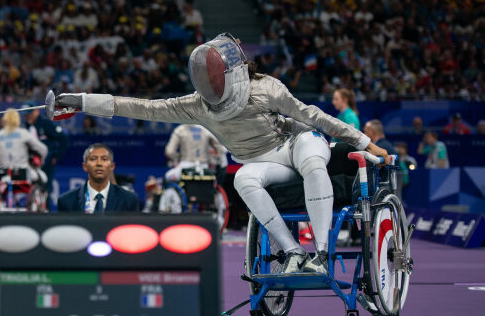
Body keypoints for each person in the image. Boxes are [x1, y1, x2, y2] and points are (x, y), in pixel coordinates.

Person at [52, 33, 390, 274]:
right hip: (262, 162)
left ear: (229, 73)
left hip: (295, 143)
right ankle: (293, 252)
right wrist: (81, 101)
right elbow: (141, 106)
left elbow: (313, 116)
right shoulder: (197, 105)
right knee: (243, 178)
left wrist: (364, 142)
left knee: (315, 162)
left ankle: (321, 252)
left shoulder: (265, 88)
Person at [57, 143, 142, 213]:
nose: (99, 163)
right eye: (93, 159)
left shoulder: (129, 200)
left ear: (112, 166)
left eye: (104, 159)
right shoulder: (66, 201)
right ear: (85, 166)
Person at [0, 109, 48, 184]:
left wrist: (1, 161)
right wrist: (39, 160)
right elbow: (43, 149)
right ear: (17, 119)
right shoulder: (24, 133)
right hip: (22, 174)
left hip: (2, 175)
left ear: (4, 120)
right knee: (43, 178)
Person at [22, 104, 69, 194]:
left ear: (36, 111)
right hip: (31, 164)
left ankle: (45, 208)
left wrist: (55, 156)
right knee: (31, 191)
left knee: (45, 190)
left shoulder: (46, 124)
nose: (27, 117)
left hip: (47, 163)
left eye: (29, 113)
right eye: (25, 115)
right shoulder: (25, 128)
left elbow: (64, 138)